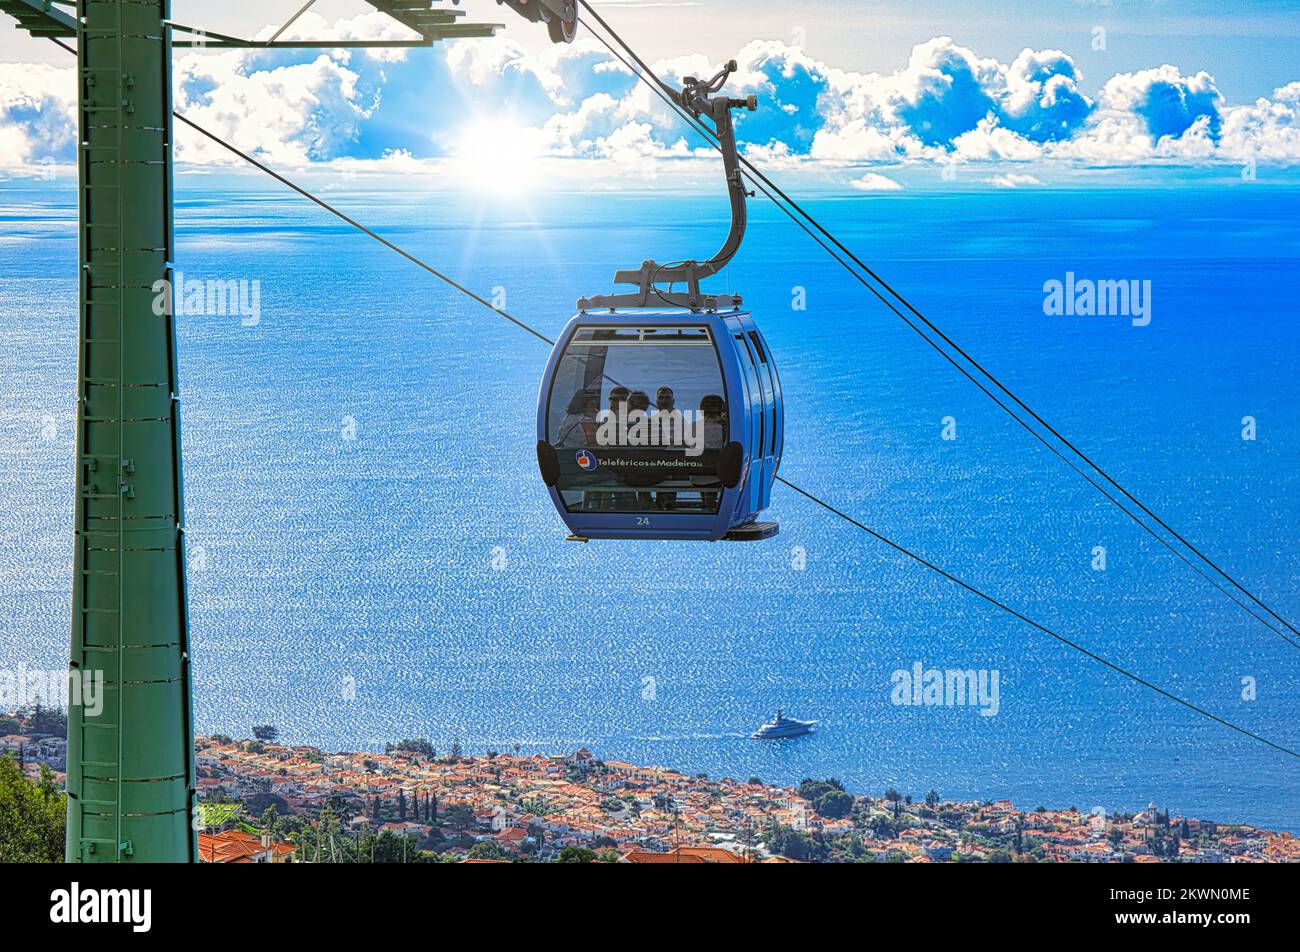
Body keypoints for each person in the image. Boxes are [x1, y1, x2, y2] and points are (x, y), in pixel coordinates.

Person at [696, 394, 726, 510]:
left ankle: (707, 505)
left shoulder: (694, 426)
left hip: (697, 474)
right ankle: (709, 506)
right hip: (718, 475)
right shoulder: (727, 428)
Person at [654, 387, 679, 510]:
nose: (664, 401)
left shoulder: (679, 420)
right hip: (656, 463)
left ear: (673, 401)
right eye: (661, 397)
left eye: (667, 398)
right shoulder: (652, 420)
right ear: (657, 401)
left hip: (672, 465)